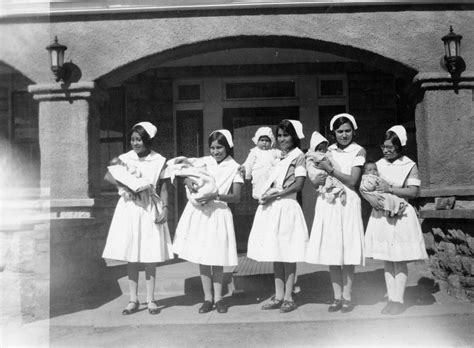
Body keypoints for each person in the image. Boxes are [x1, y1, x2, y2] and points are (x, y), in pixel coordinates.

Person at [102, 121, 173, 315]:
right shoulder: (124, 159)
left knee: (150, 255)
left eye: (139, 139)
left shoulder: (160, 161)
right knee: (131, 255)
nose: (135, 143)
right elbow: (111, 177)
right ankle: (133, 299)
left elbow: (165, 187)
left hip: (150, 207)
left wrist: (164, 209)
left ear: (147, 140)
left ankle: (151, 299)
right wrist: (125, 188)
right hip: (130, 208)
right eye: (133, 139)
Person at [172, 129, 243, 314]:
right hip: (200, 213)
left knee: (217, 257)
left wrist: (216, 195)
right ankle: (207, 298)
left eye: (219, 147)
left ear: (227, 147)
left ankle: (219, 298)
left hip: (219, 212)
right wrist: (187, 180)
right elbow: (184, 172)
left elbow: (236, 197)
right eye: (212, 147)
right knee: (203, 257)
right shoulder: (203, 162)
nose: (215, 151)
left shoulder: (235, 167)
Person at [364, 125, 428, 315]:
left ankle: (399, 300)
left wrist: (390, 189)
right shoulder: (378, 165)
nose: (386, 151)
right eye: (384, 147)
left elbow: (414, 192)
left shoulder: (409, 165)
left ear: (399, 146)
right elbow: (368, 186)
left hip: (402, 215)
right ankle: (391, 298)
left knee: (399, 259)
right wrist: (374, 199)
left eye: (390, 147)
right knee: (387, 259)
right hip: (382, 213)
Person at [247, 119, 309, 313]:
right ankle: (279, 295)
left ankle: (289, 296)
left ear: (294, 137)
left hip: (287, 205)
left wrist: (277, 194)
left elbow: (298, 185)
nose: (282, 139)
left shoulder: (298, 156)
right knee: (276, 252)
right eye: (280, 135)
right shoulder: (278, 155)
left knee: (288, 253)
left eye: (286, 135)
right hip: (273, 207)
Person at [306, 113, 366, 313]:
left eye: (348, 131)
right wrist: (320, 172)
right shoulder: (325, 150)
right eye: (339, 131)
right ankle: (336, 297)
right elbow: (315, 179)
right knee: (333, 251)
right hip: (328, 202)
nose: (344, 135)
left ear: (353, 131)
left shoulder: (359, 151)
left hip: (348, 201)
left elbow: (352, 181)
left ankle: (348, 296)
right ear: (333, 133)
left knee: (347, 250)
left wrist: (329, 170)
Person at [305, 131, 346, 204]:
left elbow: (331, 162)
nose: (322, 151)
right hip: (319, 173)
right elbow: (312, 166)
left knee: (334, 182)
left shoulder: (329, 152)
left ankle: (339, 191)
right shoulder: (312, 154)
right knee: (327, 184)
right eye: (320, 149)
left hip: (328, 174)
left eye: (324, 148)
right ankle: (329, 193)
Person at [241, 126, 282, 200]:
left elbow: (283, 155)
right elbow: (249, 163)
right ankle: (260, 196)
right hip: (259, 174)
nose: (264, 143)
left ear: (271, 141)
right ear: (257, 141)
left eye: (267, 140)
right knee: (259, 187)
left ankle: (271, 195)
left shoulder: (274, 151)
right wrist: (244, 168)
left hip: (270, 174)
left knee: (272, 186)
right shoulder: (254, 151)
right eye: (262, 140)